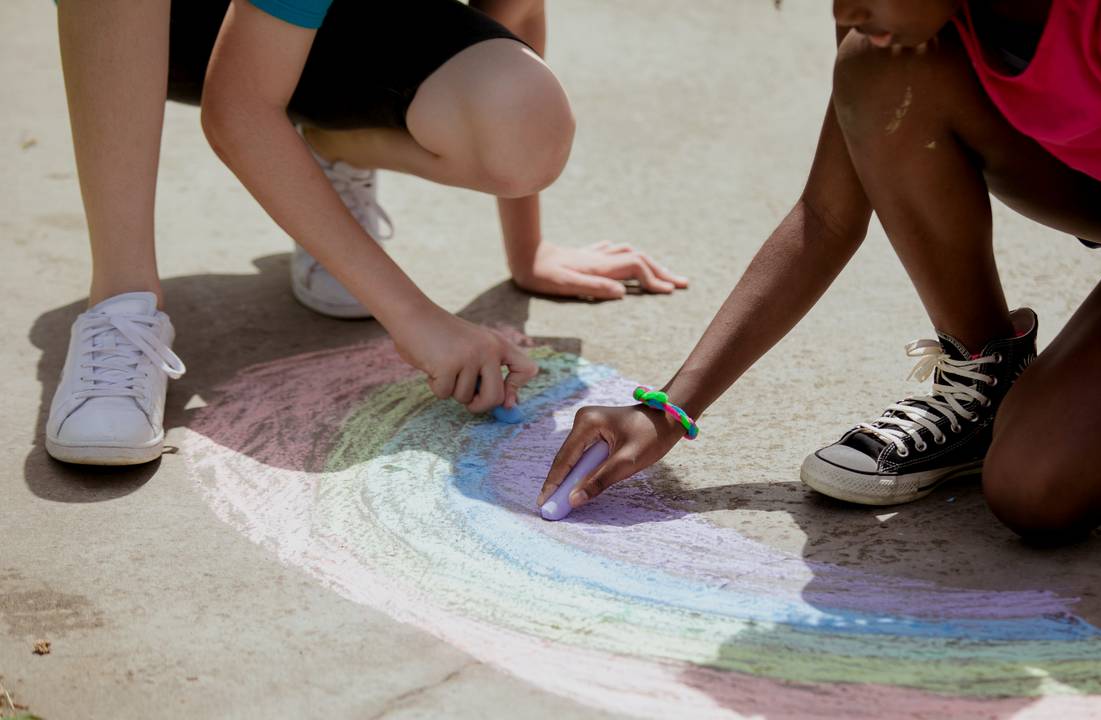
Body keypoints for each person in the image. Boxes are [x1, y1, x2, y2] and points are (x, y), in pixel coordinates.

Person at [541, 0, 1101, 665]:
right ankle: (992, 374)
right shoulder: (889, 11)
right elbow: (827, 216)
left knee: (1040, 487)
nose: (845, 9)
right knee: (876, 74)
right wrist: (668, 409)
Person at [46, 0, 685, 466]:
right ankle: (120, 301)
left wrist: (527, 249)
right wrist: (415, 318)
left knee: (523, 116)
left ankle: (332, 149)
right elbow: (235, 107)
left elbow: (513, 16)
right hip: (173, 23)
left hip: (316, 25)